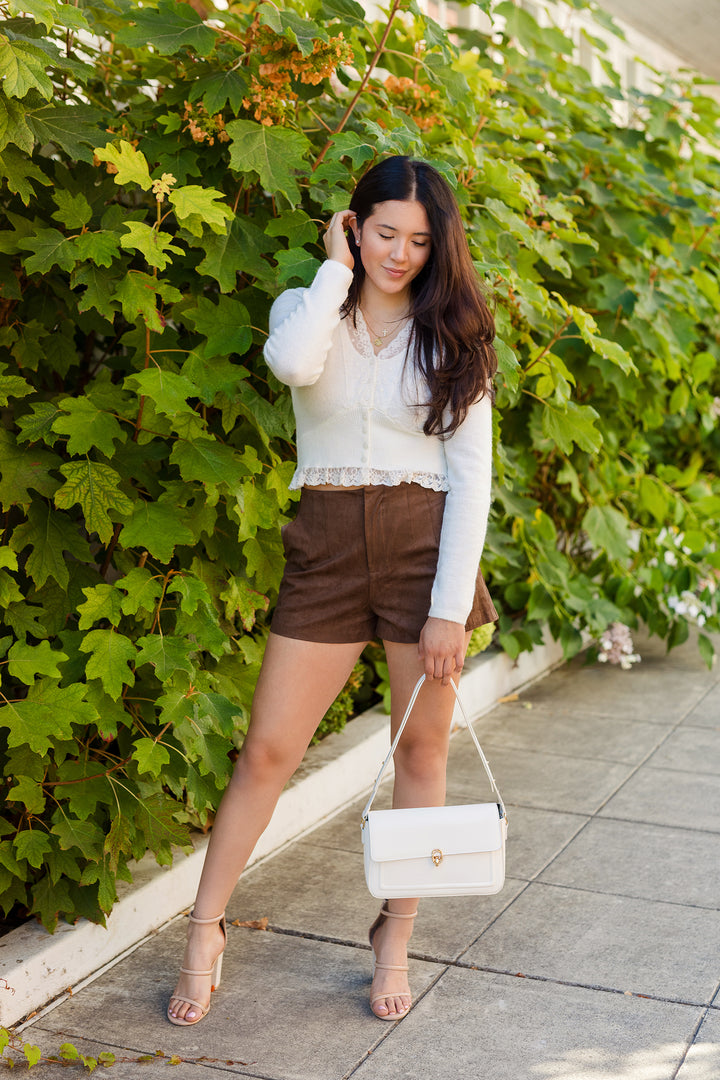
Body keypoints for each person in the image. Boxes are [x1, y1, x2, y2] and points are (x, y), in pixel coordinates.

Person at [167, 155, 498, 1027]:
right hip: (324, 545)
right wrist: (336, 272)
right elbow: (289, 364)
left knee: (420, 752)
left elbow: (472, 479)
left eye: (420, 241)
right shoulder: (308, 308)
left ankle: (396, 930)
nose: (401, 253)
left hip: (423, 551)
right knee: (267, 753)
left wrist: (447, 609)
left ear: (441, 246)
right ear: (354, 226)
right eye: (385, 231)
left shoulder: (454, 337)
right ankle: (205, 930)